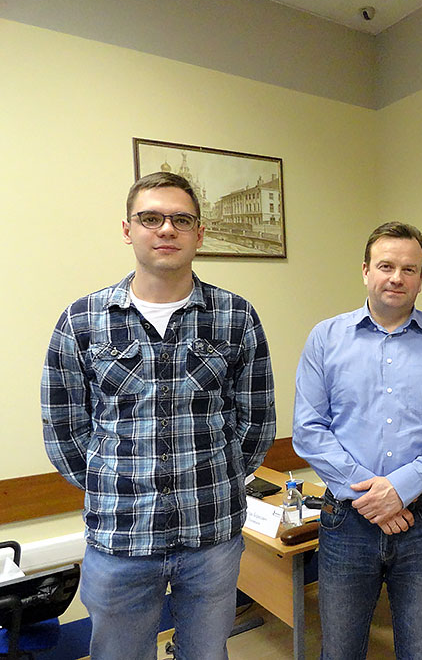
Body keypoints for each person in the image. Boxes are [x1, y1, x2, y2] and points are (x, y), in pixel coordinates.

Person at [41, 172, 276, 660]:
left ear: (199, 233)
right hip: (120, 537)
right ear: (128, 230)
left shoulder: (236, 317)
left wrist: (219, 476)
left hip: (211, 534)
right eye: (151, 218)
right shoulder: (82, 320)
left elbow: (256, 422)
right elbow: (63, 427)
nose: (166, 229)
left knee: (206, 654)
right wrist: (110, 480)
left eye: (181, 219)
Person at [292, 221, 422, 659]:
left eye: (409, 269)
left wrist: (400, 489)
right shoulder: (326, 338)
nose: (397, 278)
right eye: (386, 266)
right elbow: (309, 428)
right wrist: (371, 496)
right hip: (346, 521)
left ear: (421, 278)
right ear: (365, 271)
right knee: (340, 649)